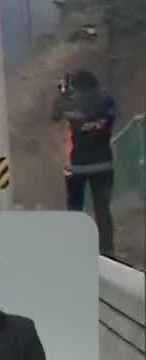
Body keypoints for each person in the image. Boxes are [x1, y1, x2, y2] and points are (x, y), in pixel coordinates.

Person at [50, 69, 118, 256]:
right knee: (102, 208)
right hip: (104, 163)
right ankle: (107, 249)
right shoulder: (106, 99)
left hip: (78, 165)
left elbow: (55, 115)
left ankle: (76, 248)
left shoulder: (71, 103)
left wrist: (63, 93)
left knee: (75, 208)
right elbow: (112, 115)